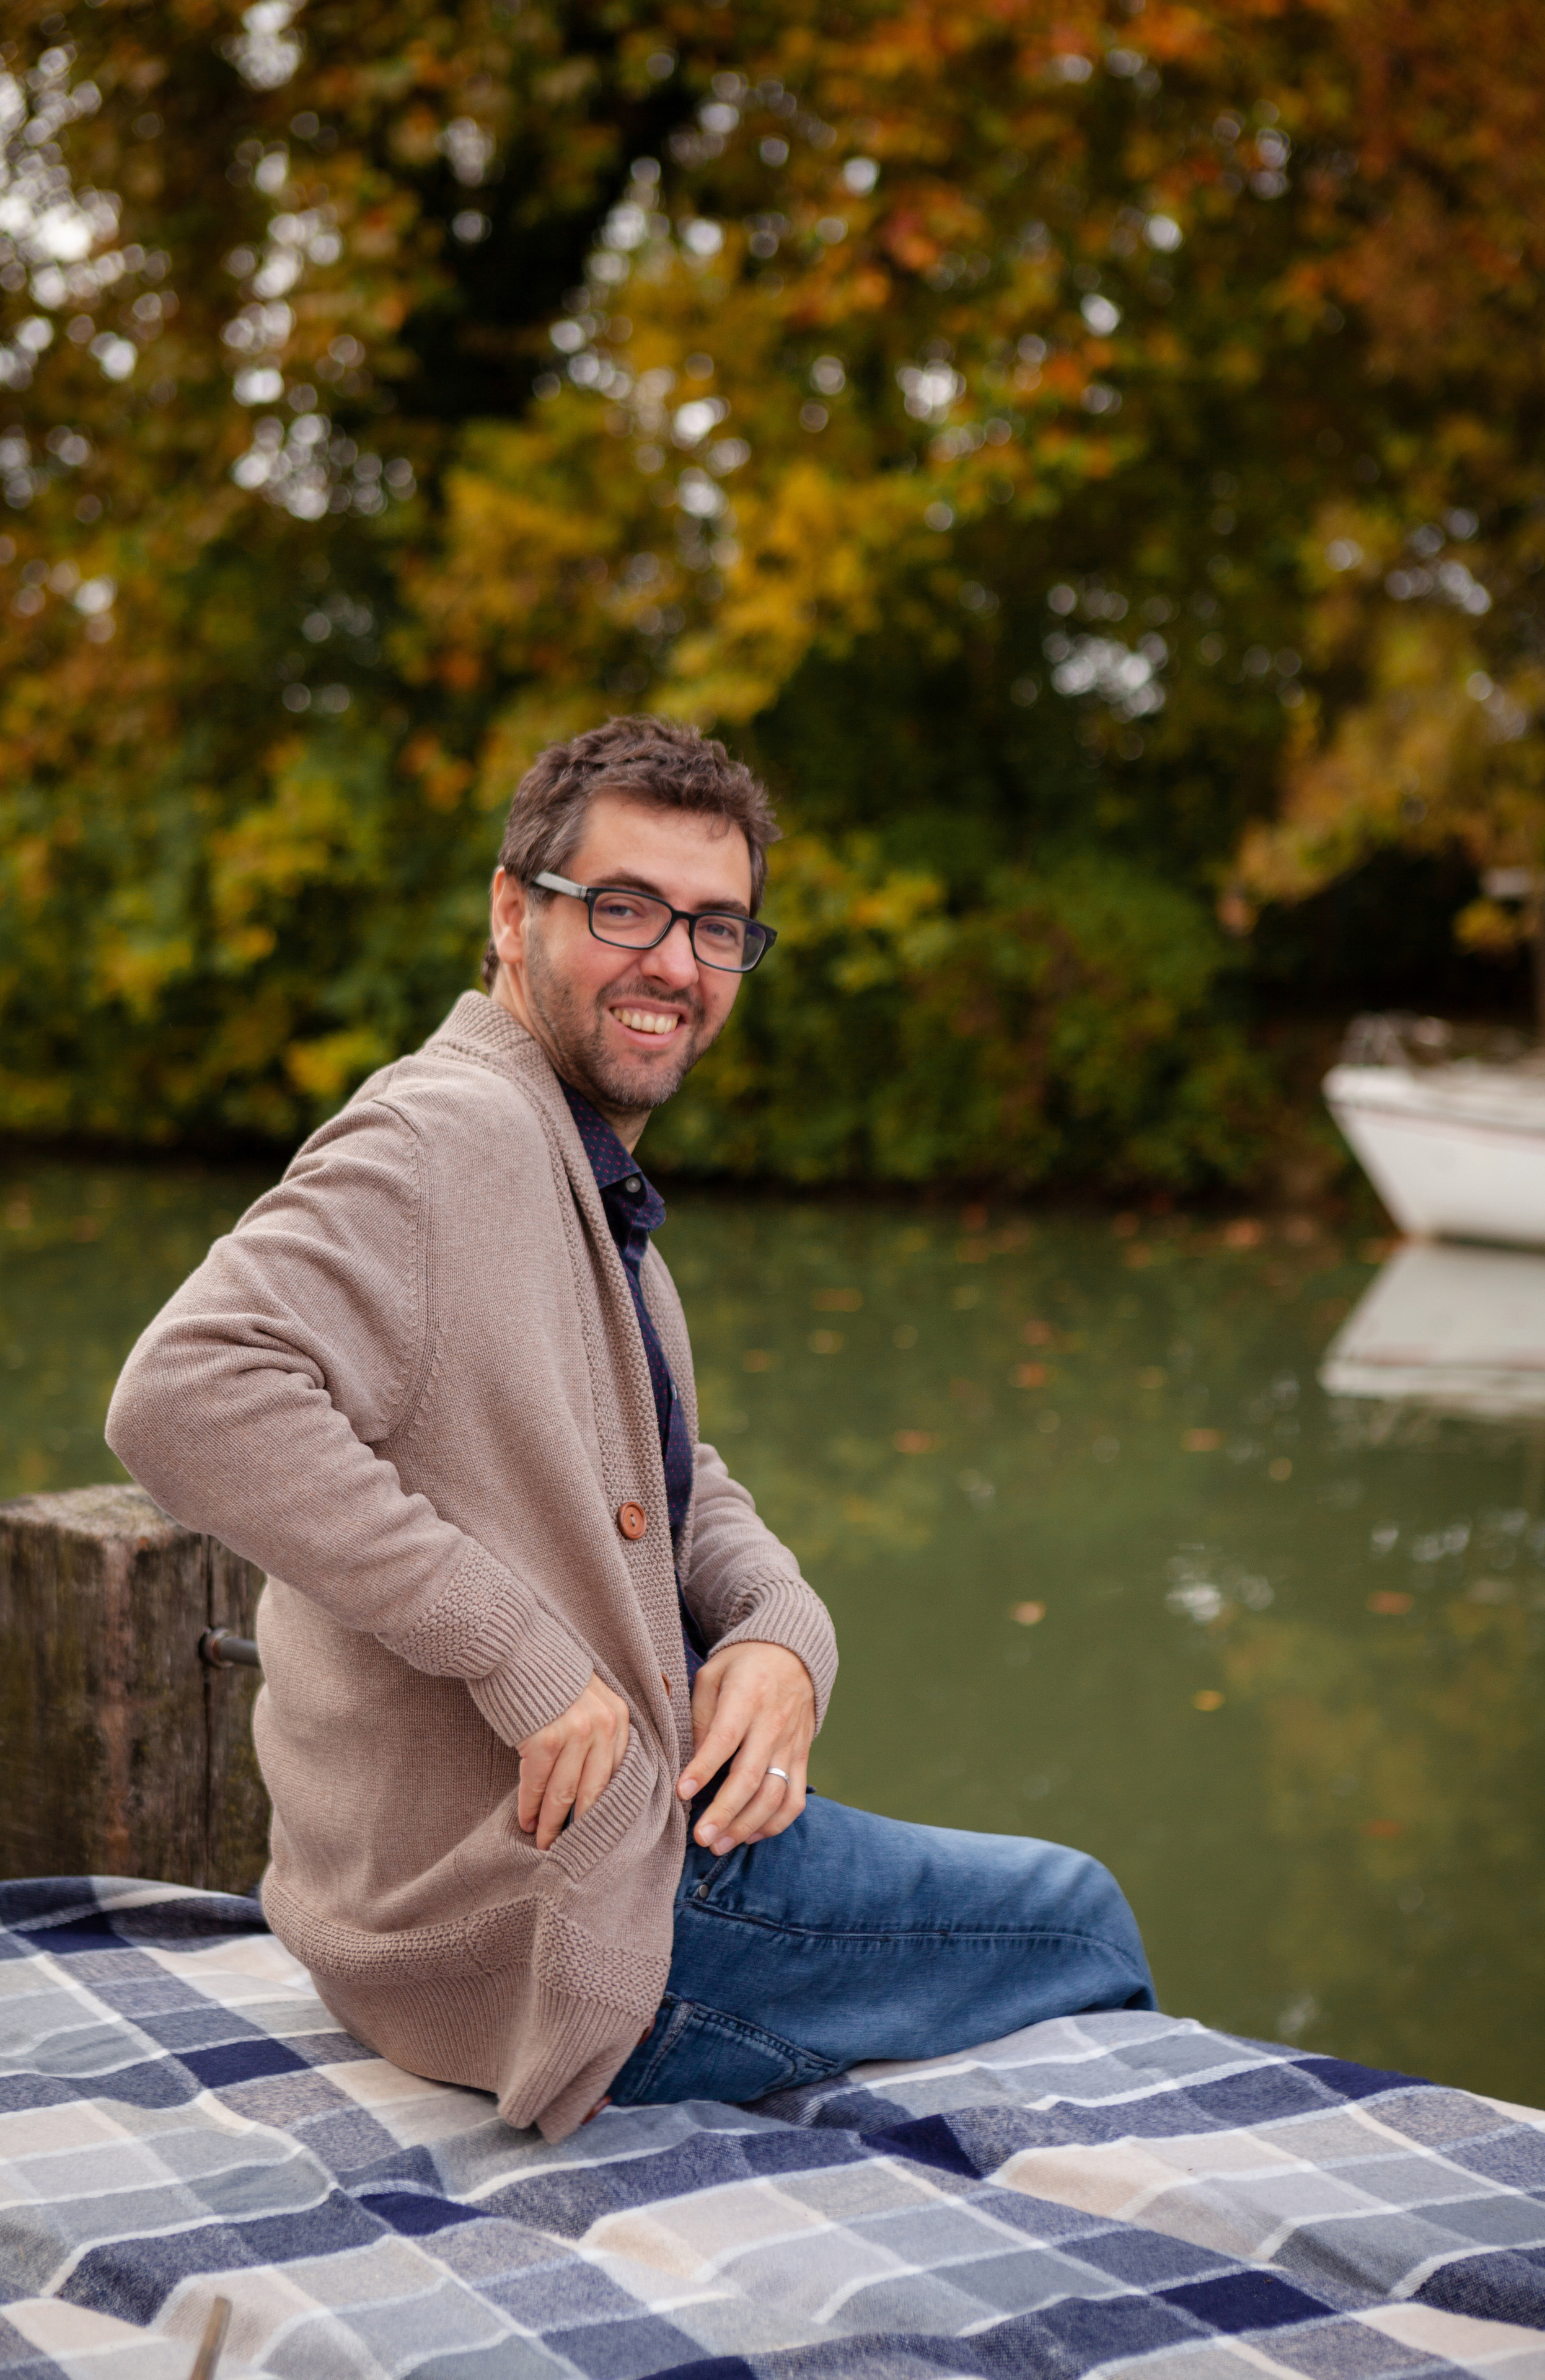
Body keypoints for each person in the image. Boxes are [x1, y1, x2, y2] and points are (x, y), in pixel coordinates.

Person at [107, 715, 1153, 2142]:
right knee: (1081, 1923)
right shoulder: (444, 1135)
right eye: (624, 909)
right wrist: (521, 1652)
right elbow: (185, 1396)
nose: (674, 961)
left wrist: (783, 1626)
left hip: (450, 1923)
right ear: (507, 911)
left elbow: (667, 1475)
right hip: (555, 1925)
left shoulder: (580, 1172)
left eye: (717, 927)